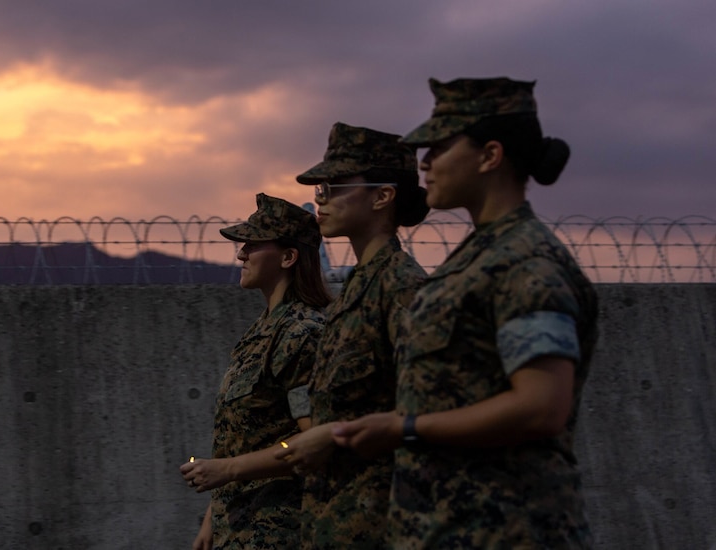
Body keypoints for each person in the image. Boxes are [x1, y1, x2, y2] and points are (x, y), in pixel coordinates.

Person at [332, 77, 599, 548]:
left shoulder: (525, 263)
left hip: (507, 529)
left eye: (438, 148)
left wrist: (403, 428)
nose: (425, 163)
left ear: (490, 156)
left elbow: (541, 407)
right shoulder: (479, 257)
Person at [274, 122, 429, 549]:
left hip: (383, 523)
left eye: (335, 186)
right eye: (319, 188)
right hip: (336, 521)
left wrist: (334, 436)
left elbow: (427, 414)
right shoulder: (352, 294)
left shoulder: (401, 287)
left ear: (382, 196)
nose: (320, 199)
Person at [180, 193, 331, 549]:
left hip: (277, 529)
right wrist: (212, 517)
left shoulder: (300, 334)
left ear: (288, 257)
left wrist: (227, 470)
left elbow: (311, 442)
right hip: (237, 524)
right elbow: (243, 437)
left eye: (252, 245)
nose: (241, 254)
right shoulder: (261, 331)